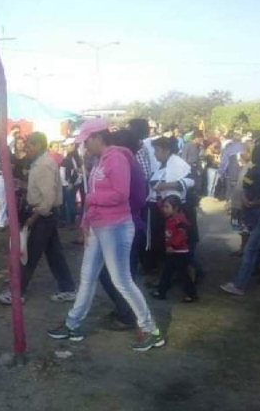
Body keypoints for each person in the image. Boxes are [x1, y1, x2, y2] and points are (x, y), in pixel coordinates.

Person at [47, 119, 164, 352]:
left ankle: (151, 330)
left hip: (116, 227)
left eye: (86, 141)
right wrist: (85, 220)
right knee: (88, 278)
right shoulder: (101, 160)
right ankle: (73, 324)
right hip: (99, 227)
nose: (84, 146)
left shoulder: (117, 159)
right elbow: (95, 194)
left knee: (121, 280)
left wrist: (91, 201)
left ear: (98, 138)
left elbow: (120, 195)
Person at [0, 132, 76, 305]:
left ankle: (17, 292)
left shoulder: (43, 165)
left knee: (29, 254)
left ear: (39, 145)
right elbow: (43, 190)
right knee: (54, 254)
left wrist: (34, 216)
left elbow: (48, 196)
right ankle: (68, 288)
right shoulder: (42, 163)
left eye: (30, 145)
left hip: (42, 214)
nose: (27, 148)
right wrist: (26, 186)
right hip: (46, 213)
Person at [97, 130, 148, 330]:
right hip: (129, 223)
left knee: (112, 273)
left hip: (124, 224)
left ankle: (127, 314)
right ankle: (124, 309)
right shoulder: (130, 164)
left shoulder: (124, 165)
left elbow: (130, 198)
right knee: (120, 273)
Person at [147, 137, 199, 277]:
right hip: (162, 209)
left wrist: (168, 185)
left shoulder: (177, 163)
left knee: (177, 244)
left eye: (157, 150)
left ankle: (189, 276)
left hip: (175, 210)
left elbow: (192, 180)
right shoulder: (163, 164)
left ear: (166, 150)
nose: (155, 154)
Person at [221, 139, 260, 296]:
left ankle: (239, 285)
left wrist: (250, 202)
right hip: (259, 211)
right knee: (259, 248)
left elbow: (245, 186)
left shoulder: (254, 170)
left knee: (251, 249)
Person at [152, 196, 198, 302]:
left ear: (176, 208)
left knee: (182, 275)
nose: (164, 209)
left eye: (167, 207)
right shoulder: (171, 217)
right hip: (173, 252)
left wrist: (172, 246)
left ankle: (192, 294)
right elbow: (161, 207)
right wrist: (158, 197)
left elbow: (181, 236)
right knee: (167, 272)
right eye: (164, 207)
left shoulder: (180, 220)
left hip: (179, 252)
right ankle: (161, 292)